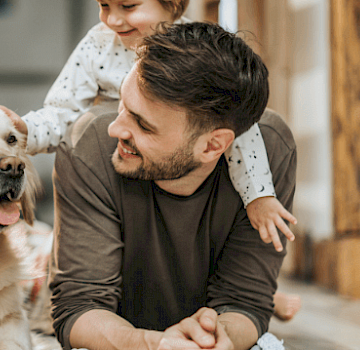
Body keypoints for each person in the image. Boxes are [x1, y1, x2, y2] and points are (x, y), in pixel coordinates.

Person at [49, 22, 296, 350]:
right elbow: (79, 306)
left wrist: (218, 338)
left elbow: (245, 302)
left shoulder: (270, 149)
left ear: (212, 146)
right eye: (123, 106)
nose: (115, 129)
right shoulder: (90, 145)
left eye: (143, 125)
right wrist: (153, 344)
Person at [0, 0, 297, 252]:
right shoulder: (99, 45)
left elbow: (239, 127)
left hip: (180, 180)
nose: (112, 19)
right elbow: (62, 111)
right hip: (122, 175)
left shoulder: (196, 52)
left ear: (172, 4)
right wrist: (25, 130)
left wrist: (259, 195)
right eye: (104, 5)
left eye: (128, 6)